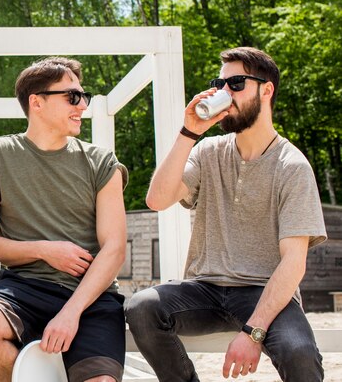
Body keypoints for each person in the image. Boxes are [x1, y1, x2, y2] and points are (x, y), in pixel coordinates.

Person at [125, 47, 327, 381]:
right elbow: (157, 200)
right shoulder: (207, 151)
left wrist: (253, 332)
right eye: (218, 84)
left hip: (264, 291)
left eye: (234, 83)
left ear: (266, 89)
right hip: (204, 288)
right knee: (141, 307)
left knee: (300, 353)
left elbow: (294, 262)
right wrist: (188, 132)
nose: (223, 93)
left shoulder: (292, 166)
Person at [0, 57, 129, 382]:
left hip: (91, 296)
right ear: (37, 101)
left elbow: (115, 249)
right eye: (72, 97)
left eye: (84, 97)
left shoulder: (102, 162)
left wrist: (70, 313)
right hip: (23, 289)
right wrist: (45, 250)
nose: (82, 105)